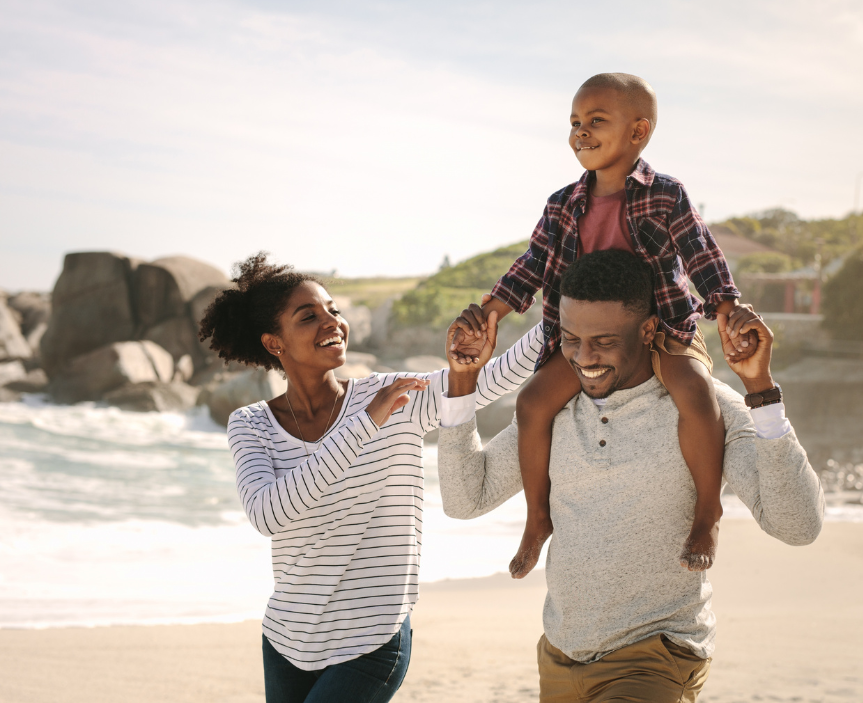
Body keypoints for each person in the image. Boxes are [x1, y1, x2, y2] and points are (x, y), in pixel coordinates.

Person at [439, 250, 824, 703]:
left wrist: (760, 389)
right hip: (561, 655)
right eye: (570, 338)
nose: (584, 357)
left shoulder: (706, 410)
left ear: (646, 331)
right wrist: (463, 382)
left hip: (656, 656)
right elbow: (466, 499)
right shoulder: (554, 412)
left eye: (603, 340)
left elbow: (798, 527)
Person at [198, 253, 543, 703]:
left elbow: (491, 379)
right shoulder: (251, 424)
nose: (333, 323)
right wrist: (366, 423)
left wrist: (564, 314)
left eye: (334, 311)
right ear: (274, 343)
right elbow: (269, 514)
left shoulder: (393, 395)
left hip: (371, 640)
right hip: (287, 640)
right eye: (309, 317)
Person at [451, 72, 757, 578]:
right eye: (574, 122)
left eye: (596, 121)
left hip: (662, 329)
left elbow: (701, 255)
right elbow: (531, 264)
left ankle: (707, 514)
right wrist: (493, 311)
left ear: (639, 132)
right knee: (530, 403)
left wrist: (726, 307)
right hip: (585, 341)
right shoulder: (563, 202)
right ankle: (536, 519)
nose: (581, 132)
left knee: (696, 395)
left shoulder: (665, 195)